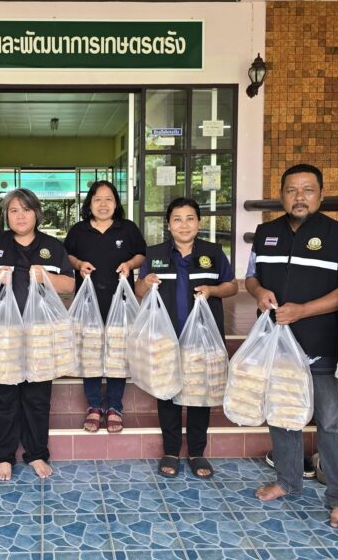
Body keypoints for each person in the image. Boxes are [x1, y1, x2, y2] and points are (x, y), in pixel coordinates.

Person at [245, 164, 338, 528]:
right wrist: (259, 292)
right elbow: (251, 276)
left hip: (320, 341)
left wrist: (304, 310)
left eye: (308, 190)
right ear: (281, 195)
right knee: (282, 412)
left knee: (330, 421)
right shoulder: (266, 233)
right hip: (276, 343)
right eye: (292, 190)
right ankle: (288, 481)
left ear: (321, 195)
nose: (299, 197)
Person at [0, 188, 75, 481]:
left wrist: (46, 277)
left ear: (37, 214)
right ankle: (3, 456)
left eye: (26, 210)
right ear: (6, 215)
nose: (20, 216)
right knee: (2, 395)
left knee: (37, 397)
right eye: (14, 210)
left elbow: (69, 285)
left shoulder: (52, 246)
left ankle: (36, 453)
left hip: (40, 335)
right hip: (2, 334)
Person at [136, 197, 238, 479]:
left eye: (190, 218)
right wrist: (145, 283)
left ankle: (196, 451)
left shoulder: (213, 253)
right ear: (168, 225)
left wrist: (212, 290)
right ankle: (171, 450)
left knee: (200, 394)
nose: (184, 225)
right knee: (167, 392)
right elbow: (138, 291)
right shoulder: (154, 253)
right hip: (165, 337)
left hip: (202, 338)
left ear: (199, 222)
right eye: (177, 219)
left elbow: (232, 286)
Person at [64, 180, 146, 433]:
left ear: (116, 203)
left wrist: (130, 265)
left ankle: (115, 406)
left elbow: (141, 254)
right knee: (90, 352)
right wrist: (79, 265)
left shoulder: (127, 228)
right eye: (97, 199)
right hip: (89, 303)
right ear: (89, 203)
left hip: (119, 301)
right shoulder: (79, 230)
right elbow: (67, 255)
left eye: (108, 199)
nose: (103, 204)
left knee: (117, 353)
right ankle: (94, 405)